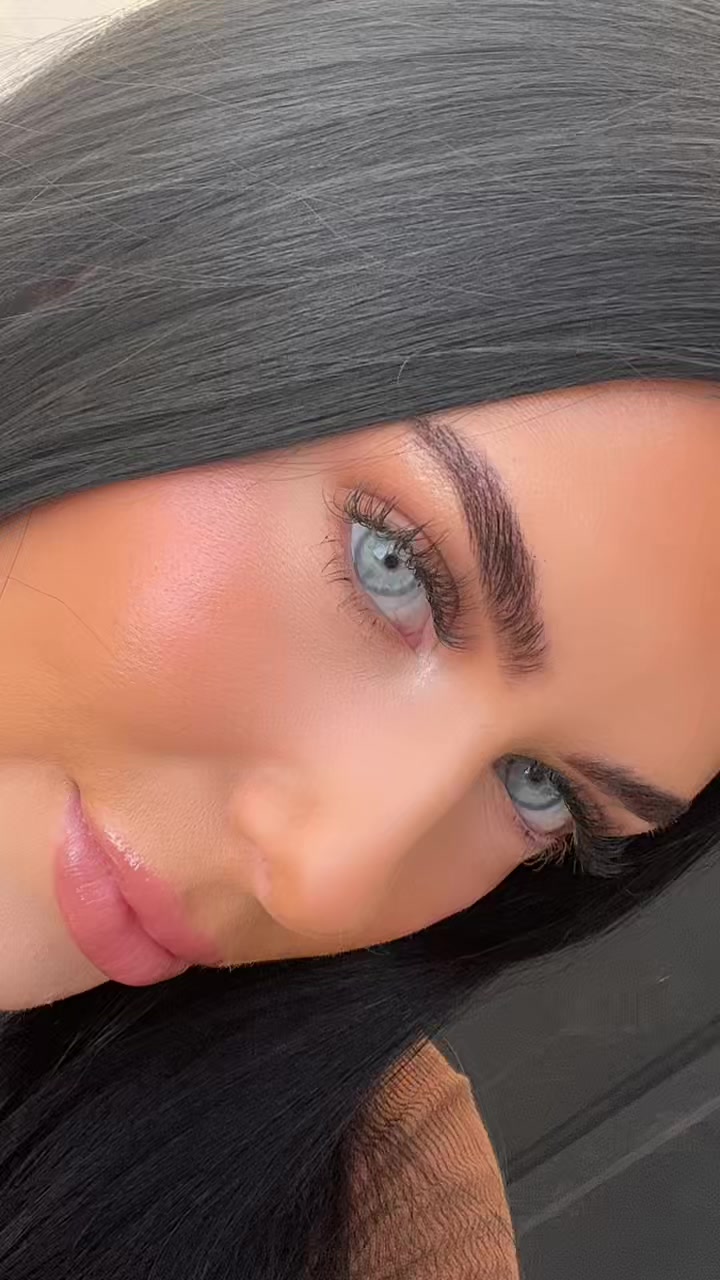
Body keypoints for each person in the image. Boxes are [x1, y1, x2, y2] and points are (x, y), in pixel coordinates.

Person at [0, 1, 718, 1277]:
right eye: (398, 567)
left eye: (539, 790)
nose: (327, 882)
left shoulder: (371, 1208)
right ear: (107, 265)